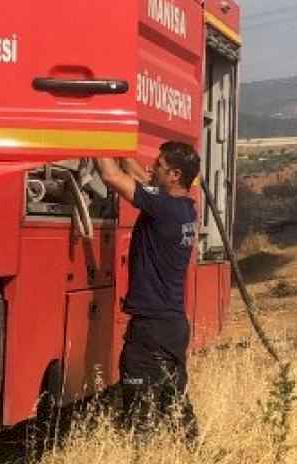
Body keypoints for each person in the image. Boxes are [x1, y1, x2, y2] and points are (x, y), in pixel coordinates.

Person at [96, 142, 201, 441]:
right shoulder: (182, 207)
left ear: (175, 175)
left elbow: (111, 176)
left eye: (159, 165)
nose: (151, 168)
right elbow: (140, 178)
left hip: (151, 327)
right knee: (173, 401)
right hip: (172, 325)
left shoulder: (164, 208)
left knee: (137, 410)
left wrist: (92, 134)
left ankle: (141, 453)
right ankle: (193, 452)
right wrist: (118, 141)